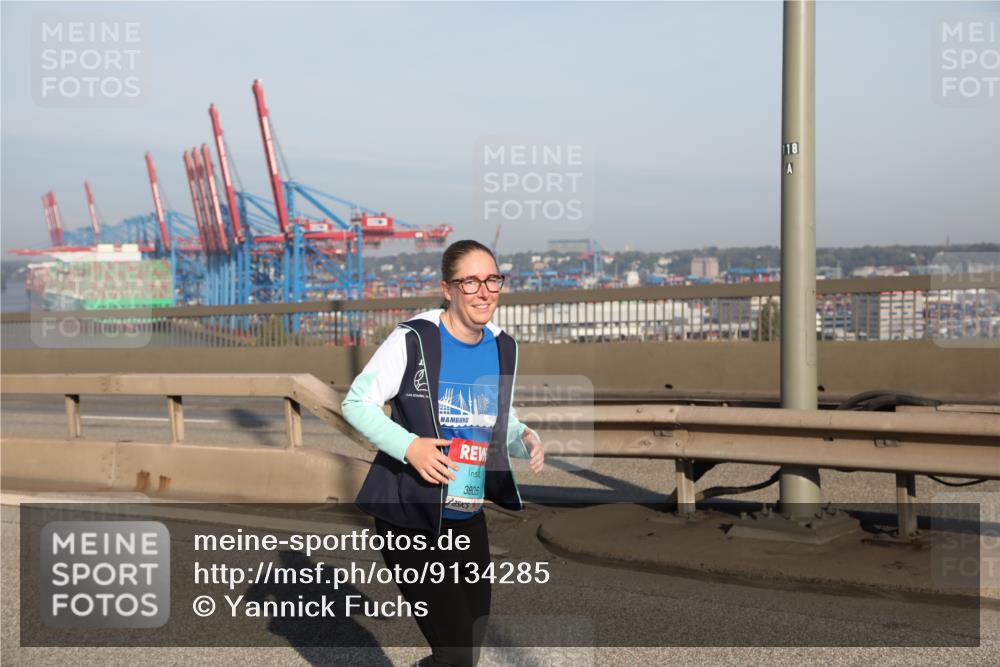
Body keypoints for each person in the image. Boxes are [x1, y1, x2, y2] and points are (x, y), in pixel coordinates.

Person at [342, 239, 544, 667]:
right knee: (455, 654)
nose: (483, 292)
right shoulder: (415, 339)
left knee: (465, 652)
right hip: (410, 514)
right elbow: (356, 403)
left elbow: (495, 418)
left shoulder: (503, 347)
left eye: (491, 280)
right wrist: (410, 446)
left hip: (467, 514)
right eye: (470, 282)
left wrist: (522, 436)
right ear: (447, 289)